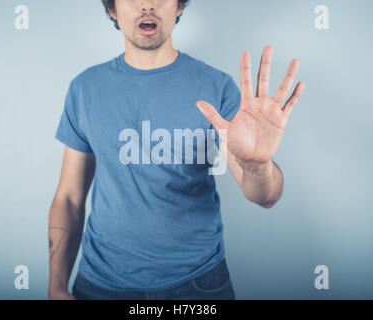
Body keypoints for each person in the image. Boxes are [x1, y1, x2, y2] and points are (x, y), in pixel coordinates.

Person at [48, 0, 305, 300]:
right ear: (112, 9)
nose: (147, 4)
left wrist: (258, 165)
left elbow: (265, 196)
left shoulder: (217, 86)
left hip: (199, 285)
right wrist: (56, 285)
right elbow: (69, 197)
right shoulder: (84, 89)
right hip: (101, 286)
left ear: (180, 6)